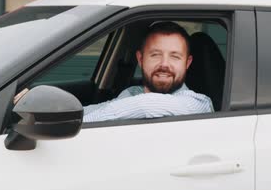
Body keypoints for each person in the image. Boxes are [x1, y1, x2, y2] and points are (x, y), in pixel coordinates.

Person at [83, 21, 213, 123]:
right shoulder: (132, 93)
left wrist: (74, 125)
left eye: (175, 56)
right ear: (140, 59)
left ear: (187, 63)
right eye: (155, 55)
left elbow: (145, 105)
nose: (164, 64)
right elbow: (104, 107)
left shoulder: (199, 104)